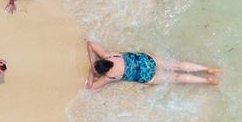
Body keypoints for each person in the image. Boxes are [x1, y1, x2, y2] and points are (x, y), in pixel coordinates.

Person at [84, 40, 221, 89]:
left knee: (176, 78)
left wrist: (91, 72)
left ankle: (207, 81)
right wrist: (93, 62)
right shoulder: (109, 56)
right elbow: (91, 44)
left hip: (147, 76)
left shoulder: (109, 77)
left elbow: (91, 86)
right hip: (147, 60)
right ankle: (208, 69)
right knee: (176, 66)